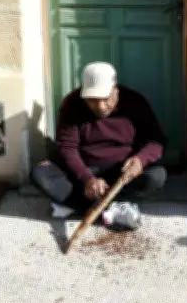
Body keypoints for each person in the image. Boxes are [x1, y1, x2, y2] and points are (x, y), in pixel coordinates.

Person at [31, 61, 168, 216]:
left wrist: (140, 160)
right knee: (40, 173)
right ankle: (111, 206)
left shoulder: (135, 102)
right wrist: (87, 179)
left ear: (115, 91)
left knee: (157, 176)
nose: (101, 106)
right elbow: (67, 147)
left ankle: (90, 205)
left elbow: (156, 141)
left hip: (122, 172)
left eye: (106, 99)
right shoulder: (72, 103)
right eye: (93, 100)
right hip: (85, 170)